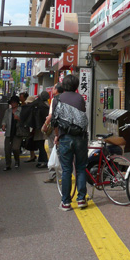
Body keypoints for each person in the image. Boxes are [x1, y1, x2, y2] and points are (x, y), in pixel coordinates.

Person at [54, 74, 88, 211]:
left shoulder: (58, 99)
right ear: (76, 85)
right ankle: (81, 199)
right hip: (80, 137)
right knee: (80, 168)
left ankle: (66, 202)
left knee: (66, 170)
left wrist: (57, 136)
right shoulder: (80, 98)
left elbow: (55, 121)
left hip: (65, 137)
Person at [41, 83, 63, 183]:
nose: (52, 89)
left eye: (53, 87)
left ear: (57, 90)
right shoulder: (66, 98)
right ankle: (62, 175)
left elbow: (51, 115)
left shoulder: (55, 99)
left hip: (55, 129)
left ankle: (53, 175)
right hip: (64, 128)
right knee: (62, 152)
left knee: (52, 150)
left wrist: (45, 124)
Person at [1, 95, 23, 170]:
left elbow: (25, 121)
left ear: (17, 103)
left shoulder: (21, 110)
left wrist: (19, 119)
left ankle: (17, 160)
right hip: (9, 132)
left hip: (17, 132)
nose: (12, 104)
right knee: (7, 149)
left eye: (14, 102)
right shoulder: (8, 111)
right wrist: (3, 125)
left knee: (15, 148)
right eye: (11, 103)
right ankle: (8, 165)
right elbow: (4, 119)